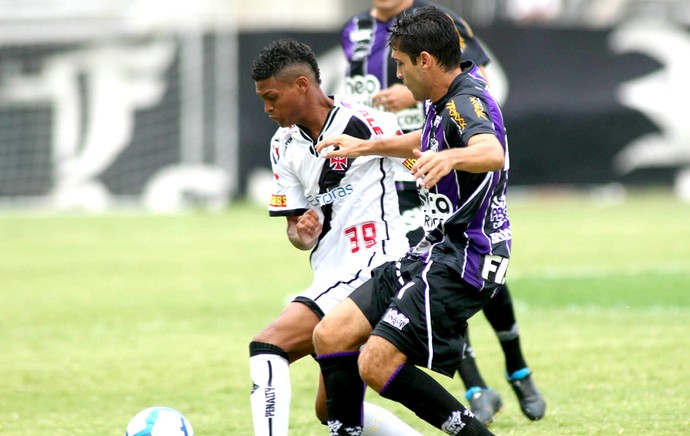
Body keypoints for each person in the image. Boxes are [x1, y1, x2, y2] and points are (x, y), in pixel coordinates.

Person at [340, 0, 545, 424]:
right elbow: (424, 136)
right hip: (438, 249)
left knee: (376, 362)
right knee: (335, 332)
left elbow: (490, 151)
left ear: (426, 60)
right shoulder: (445, 97)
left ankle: (500, 385)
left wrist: (450, 159)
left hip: (465, 257)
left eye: (400, 64)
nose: (397, 74)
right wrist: (364, 146)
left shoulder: (464, 102)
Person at [248, 38, 423, 436]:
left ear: (302, 86)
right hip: (330, 275)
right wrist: (301, 232)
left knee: (267, 346)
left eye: (272, 97)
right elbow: (294, 230)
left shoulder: (364, 121)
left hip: (373, 268)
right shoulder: (282, 145)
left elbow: (421, 149)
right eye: (262, 100)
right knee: (331, 412)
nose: (267, 108)